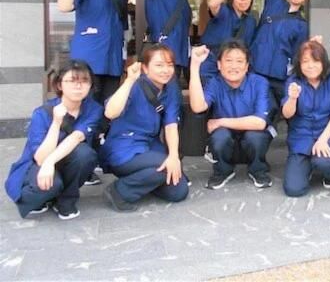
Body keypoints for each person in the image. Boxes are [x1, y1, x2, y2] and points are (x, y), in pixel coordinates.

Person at [5, 60, 101, 219]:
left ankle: (65, 200)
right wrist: (56, 122)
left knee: (86, 154)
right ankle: (39, 198)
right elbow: (40, 158)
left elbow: (76, 137)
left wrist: (50, 163)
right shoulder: (42, 113)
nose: (78, 86)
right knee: (50, 186)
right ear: (59, 85)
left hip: (60, 161)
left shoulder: (93, 109)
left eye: (84, 81)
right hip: (35, 164)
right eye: (72, 81)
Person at [100, 45, 188, 212]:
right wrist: (129, 80)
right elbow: (110, 112)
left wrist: (174, 156)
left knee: (178, 191)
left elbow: (171, 125)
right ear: (145, 68)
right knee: (166, 167)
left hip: (149, 147)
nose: (166, 70)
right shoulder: (135, 86)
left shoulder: (171, 89)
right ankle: (119, 191)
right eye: (159, 65)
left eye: (170, 65)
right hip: (124, 149)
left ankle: (145, 180)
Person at [250, 0, 313, 121]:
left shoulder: (302, 25)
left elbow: (297, 57)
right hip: (255, 72)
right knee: (254, 114)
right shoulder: (274, 1)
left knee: (272, 117)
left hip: (278, 78)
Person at [189, 41, 274, 189]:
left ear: (247, 66)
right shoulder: (215, 83)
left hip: (251, 138)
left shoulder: (259, 83)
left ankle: (258, 169)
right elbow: (197, 107)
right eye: (228, 60)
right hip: (227, 140)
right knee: (219, 137)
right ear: (219, 65)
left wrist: (220, 122)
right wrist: (195, 66)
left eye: (239, 61)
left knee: (256, 136)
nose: (234, 66)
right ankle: (223, 171)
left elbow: (259, 122)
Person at [57, 0, 128, 106]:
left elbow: (122, 26)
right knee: (85, 107)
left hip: (113, 60)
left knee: (109, 108)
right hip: (89, 58)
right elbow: (64, 6)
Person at [281, 41, 330, 196]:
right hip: (301, 136)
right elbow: (287, 114)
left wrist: (322, 140)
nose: (310, 66)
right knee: (294, 189)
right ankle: (307, 167)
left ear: (323, 62)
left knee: (322, 161)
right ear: (299, 63)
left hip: (328, 134)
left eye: (315, 61)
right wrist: (292, 98)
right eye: (305, 61)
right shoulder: (293, 81)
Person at [198, 0, 257, 85]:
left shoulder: (250, 21)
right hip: (211, 64)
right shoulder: (224, 11)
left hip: (233, 67)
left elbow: (248, 49)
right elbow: (213, 4)